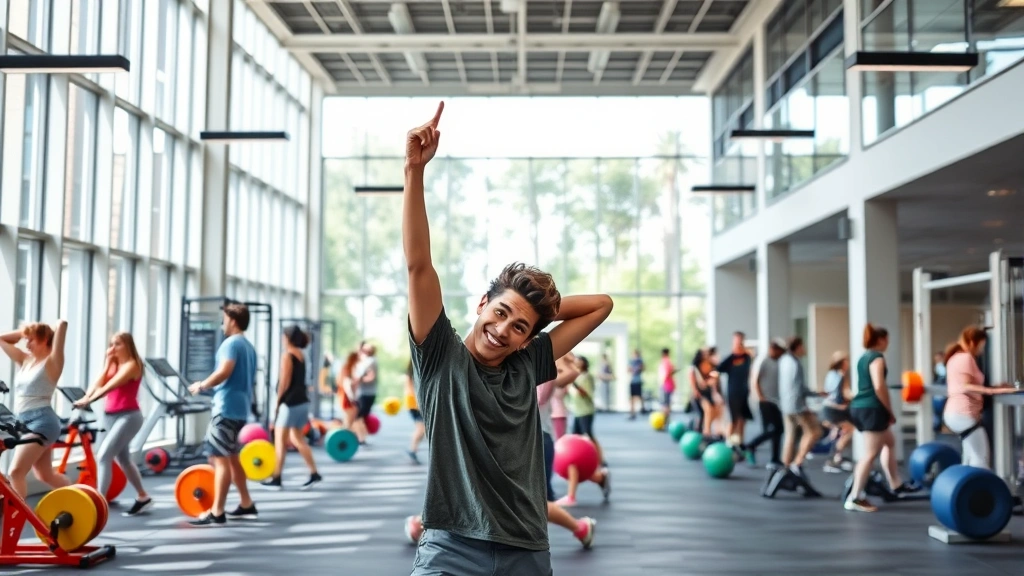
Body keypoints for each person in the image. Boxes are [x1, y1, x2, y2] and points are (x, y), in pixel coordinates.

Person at [404, 101, 613, 575]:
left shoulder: (528, 361)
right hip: (451, 545)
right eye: (499, 313)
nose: (501, 330)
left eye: (518, 327)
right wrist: (414, 171)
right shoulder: (440, 357)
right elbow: (419, 265)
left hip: (525, 545)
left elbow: (602, 304)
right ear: (481, 304)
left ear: (528, 340)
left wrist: (538, 313)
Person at [187, 303, 259, 526]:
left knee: (220, 460)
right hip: (240, 409)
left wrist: (202, 385)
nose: (222, 322)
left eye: (224, 318)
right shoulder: (248, 346)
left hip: (225, 408)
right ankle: (246, 503)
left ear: (233, 320)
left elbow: (224, 371)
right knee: (231, 457)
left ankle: (217, 511)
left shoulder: (231, 343)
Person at [74, 332, 152, 515]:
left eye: (117, 344)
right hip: (110, 416)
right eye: (111, 344)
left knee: (103, 456)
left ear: (127, 345)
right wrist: (87, 396)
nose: (113, 348)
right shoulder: (114, 364)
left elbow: (111, 386)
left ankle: (100, 504)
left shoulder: (133, 364)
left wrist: (90, 400)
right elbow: (99, 382)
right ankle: (143, 496)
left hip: (129, 416)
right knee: (123, 459)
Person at [845, 323, 918, 513]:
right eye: (887, 340)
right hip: (871, 408)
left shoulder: (863, 357)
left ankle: (896, 484)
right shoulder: (877, 358)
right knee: (869, 454)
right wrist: (890, 410)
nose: (888, 343)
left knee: (889, 442)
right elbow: (879, 386)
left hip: (861, 407)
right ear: (881, 340)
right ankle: (855, 497)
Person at [0, 321, 73, 498]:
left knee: (16, 471)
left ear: (44, 339)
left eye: (31, 340)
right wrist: (26, 332)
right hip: (23, 423)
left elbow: (62, 324)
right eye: (26, 340)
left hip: (42, 422)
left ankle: (17, 518)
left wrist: (44, 329)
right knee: (45, 474)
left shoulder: (53, 361)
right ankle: (79, 497)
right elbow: (2, 339)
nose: (26, 344)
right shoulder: (25, 360)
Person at [942, 327, 1017, 470]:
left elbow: (966, 384)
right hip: (963, 414)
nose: (981, 351)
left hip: (954, 413)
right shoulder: (966, 358)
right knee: (980, 458)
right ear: (971, 342)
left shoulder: (955, 357)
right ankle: (981, 490)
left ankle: (967, 487)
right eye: (980, 346)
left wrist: (995, 387)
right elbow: (966, 386)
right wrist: (993, 391)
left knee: (969, 455)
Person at [262, 325, 322, 490]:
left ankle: (276, 478)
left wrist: (277, 402)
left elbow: (284, 381)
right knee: (298, 439)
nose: (282, 339)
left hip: (290, 404)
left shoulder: (287, 355)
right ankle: (314, 473)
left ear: (287, 338)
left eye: (283, 336)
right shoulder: (301, 354)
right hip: (302, 402)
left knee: (280, 441)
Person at [557, 355, 611, 507]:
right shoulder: (576, 376)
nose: (576, 363)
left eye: (578, 361)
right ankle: (599, 478)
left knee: (589, 436)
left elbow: (585, 394)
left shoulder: (586, 377)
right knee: (576, 445)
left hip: (586, 411)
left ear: (584, 364)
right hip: (577, 412)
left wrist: (573, 383)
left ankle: (601, 461)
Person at [778, 337, 822, 478]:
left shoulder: (784, 361)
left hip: (786, 404)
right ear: (797, 347)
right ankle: (797, 462)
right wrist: (804, 406)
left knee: (790, 436)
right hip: (796, 405)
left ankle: (785, 467)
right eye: (802, 346)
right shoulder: (795, 364)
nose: (804, 349)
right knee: (814, 432)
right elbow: (798, 388)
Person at [745, 339, 786, 468]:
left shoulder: (779, 361)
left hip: (776, 401)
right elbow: (755, 379)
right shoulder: (763, 360)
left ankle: (775, 459)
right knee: (772, 429)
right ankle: (750, 445)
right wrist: (760, 397)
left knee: (779, 430)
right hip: (765, 401)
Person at [820, 351, 855, 474]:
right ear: (841, 363)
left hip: (829, 408)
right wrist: (849, 401)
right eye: (846, 362)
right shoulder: (840, 375)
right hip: (834, 409)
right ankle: (834, 459)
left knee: (839, 432)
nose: (848, 364)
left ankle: (837, 458)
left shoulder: (831, 374)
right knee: (850, 430)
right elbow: (840, 395)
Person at [717, 332, 753, 448]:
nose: (738, 342)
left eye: (740, 340)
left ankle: (740, 441)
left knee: (743, 418)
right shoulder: (730, 358)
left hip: (744, 392)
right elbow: (718, 369)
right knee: (734, 419)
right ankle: (728, 443)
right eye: (736, 340)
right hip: (733, 392)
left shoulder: (747, 357)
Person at [690, 348, 724, 437]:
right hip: (700, 394)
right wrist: (696, 390)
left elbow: (715, 381)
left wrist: (716, 391)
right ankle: (706, 432)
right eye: (704, 354)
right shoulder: (695, 368)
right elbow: (698, 384)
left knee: (717, 410)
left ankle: (716, 431)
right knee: (707, 410)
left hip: (709, 393)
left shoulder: (712, 366)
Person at [352, 342, 379, 444]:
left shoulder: (370, 361)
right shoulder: (365, 361)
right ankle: (361, 437)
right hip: (364, 393)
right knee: (360, 417)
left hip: (367, 393)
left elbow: (371, 377)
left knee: (358, 416)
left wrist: (359, 380)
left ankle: (361, 438)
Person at [404, 360, 426, 463]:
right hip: (415, 404)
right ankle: (412, 449)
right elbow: (411, 389)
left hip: (414, 403)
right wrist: (419, 403)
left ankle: (413, 449)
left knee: (421, 429)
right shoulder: (412, 373)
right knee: (421, 428)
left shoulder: (413, 372)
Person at [335, 350, 359, 428]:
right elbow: (346, 384)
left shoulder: (348, 368)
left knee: (349, 419)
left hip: (346, 395)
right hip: (346, 396)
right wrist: (351, 397)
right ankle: (345, 437)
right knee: (349, 420)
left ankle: (347, 435)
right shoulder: (347, 368)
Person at [659, 348, 676, 422]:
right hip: (669, 385)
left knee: (666, 403)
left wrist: (662, 382)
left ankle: (666, 420)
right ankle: (666, 419)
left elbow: (666, 373)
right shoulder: (669, 361)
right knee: (667, 403)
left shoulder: (666, 361)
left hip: (666, 385)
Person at [627, 349, 645, 419]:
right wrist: (632, 369)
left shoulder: (640, 361)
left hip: (638, 381)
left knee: (639, 396)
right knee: (632, 397)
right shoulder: (631, 361)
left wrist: (639, 368)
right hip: (632, 381)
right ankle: (632, 412)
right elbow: (628, 370)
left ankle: (642, 408)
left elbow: (643, 368)